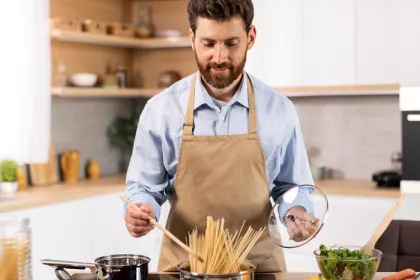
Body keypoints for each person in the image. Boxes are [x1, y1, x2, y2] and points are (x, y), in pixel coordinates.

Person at [124, 0, 318, 273]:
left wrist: (295, 211)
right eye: (208, 43)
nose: (218, 57)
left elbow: (291, 188)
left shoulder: (278, 109)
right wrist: (142, 211)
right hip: (185, 267)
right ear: (192, 39)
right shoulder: (162, 110)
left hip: (259, 267)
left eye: (231, 43)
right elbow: (144, 189)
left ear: (250, 38)